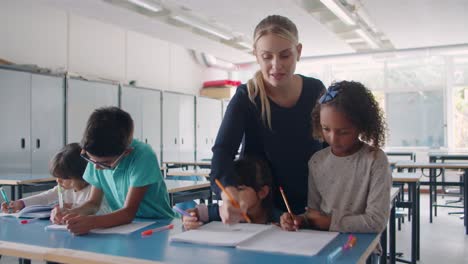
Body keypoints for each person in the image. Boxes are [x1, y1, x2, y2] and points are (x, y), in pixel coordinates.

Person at [210, 15, 326, 224]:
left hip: (311, 207)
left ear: (298, 52)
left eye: (285, 55)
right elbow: (223, 151)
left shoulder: (315, 90)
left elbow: (330, 145)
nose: (276, 65)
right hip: (263, 210)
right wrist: (228, 194)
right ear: (256, 55)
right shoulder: (247, 96)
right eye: (267, 56)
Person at [280, 80, 391, 235]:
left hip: (361, 247)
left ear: (361, 125)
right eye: (326, 129)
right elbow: (314, 214)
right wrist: (300, 220)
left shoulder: (375, 160)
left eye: (343, 132)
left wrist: (330, 222)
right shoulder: (317, 161)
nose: (333, 139)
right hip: (323, 243)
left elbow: (376, 221)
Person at [59, 107, 175, 235]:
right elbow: (93, 203)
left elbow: (128, 212)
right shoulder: (98, 154)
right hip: (120, 226)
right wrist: (71, 213)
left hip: (158, 225)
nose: (97, 167)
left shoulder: (143, 155)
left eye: (106, 163)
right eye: (92, 160)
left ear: (126, 152)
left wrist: (91, 222)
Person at [1, 143, 109, 218]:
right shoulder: (64, 188)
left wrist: (72, 207)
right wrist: (20, 203)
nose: (58, 181)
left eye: (63, 178)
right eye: (57, 177)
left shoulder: (95, 190)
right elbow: (45, 197)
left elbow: (98, 210)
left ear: (79, 175)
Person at [183, 157, 279, 230]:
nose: (232, 194)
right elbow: (193, 212)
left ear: (262, 192)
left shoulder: (275, 216)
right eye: (230, 188)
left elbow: (289, 222)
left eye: (240, 189)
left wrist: (287, 223)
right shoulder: (226, 212)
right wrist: (188, 218)